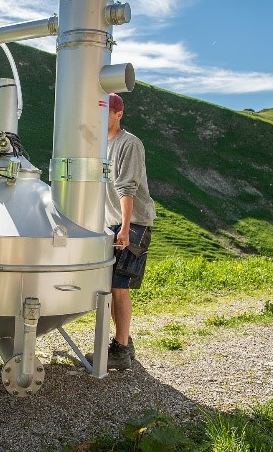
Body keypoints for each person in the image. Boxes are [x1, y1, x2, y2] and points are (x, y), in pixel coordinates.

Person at [91, 93, 156, 370]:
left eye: (107, 112)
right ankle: (123, 342)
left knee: (119, 286)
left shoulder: (129, 144)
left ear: (119, 113)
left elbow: (127, 188)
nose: (102, 119)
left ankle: (119, 349)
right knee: (110, 286)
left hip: (133, 223)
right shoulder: (100, 146)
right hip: (111, 223)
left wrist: (126, 228)